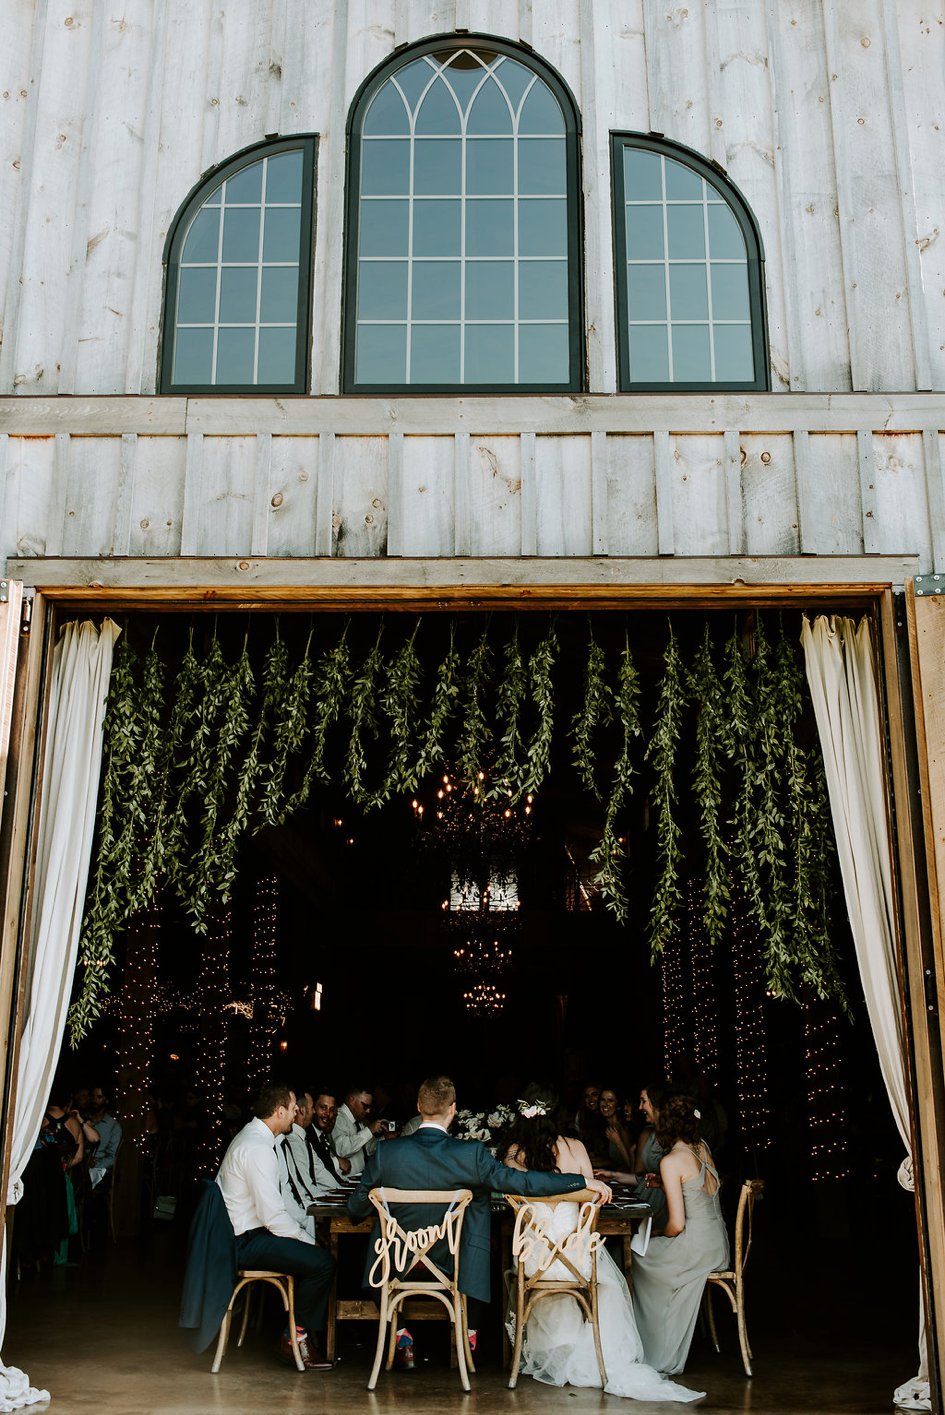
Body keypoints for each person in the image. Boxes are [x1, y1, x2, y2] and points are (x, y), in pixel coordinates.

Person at [348, 1074, 612, 1371]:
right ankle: (469, 1331)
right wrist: (580, 1182)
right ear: (453, 1110)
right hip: (454, 1262)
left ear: (419, 1105)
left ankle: (401, 1334)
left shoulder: (387, 1152)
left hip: (395, 1261)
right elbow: (522, 1182)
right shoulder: (469, 1154)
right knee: (478, 1233)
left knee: (368, 1251)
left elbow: (356, 1208)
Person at [502, 1082, 702, 1402]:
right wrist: (585, 1183)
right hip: (576, 1260)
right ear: (558, 1114)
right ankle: (594, 1351)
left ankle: (540, 1351)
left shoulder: (513, 1154)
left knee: (511, 1262)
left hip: (534, 1261)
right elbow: (587, 1206)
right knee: (605, 1273)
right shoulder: (576, 1148)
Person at [216, 1082, 335, 1371]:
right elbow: (272, 1217)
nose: (297, 1113)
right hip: (244, 1242)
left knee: (316, 1256)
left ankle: (300, 1335)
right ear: (280, 1111)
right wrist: (307, 1240)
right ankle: (296, 1338)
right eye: (294, 1108)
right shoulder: (258, 1148)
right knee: (322, 1263)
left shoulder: (256, 1138)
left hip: (248, 1235)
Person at [630, 1092, 730, 1376]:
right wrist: (666, 1186)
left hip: (695, 1246)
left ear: (665, 1127)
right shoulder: (702, 1147)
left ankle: (650, 1345)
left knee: (637, 1257)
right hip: (717, 1243)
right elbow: (699, 1191)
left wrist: (659, 1232)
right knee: (650, 1254)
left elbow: (677, 1225)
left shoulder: (671, 1160)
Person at [333, 1086, 389, 1177]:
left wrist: (385, 1138)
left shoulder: (358, 1121)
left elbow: (368, 1149)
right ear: (351, 1100)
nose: (368, 1111)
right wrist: (369, 1130)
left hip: (357, 1180)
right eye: (365, 1106)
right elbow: (342, 1149)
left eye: (369, 1107)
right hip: (344, 1183)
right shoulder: (337, 1118)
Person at [307, 1091, 351, 1181]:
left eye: (331, 1110)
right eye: (323, 1108)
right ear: (313, 1109)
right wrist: (337, 1162)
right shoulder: (307, 1135)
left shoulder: (322, 1135)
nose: (328, 1114)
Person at [86, 1085, 122, 1188]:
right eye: (93, 1096)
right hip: (82, 1162)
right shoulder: (84, 1120)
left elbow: (112, 1156)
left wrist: (97, 1165)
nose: (94, 1100)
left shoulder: (113, 1125)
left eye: (99, 1097)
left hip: (100, 1169)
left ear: (106, 1100)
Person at [598, 1086, 634, 1168]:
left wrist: (618, 1142)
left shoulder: (622, 1128)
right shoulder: (608, 1126)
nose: (605, 1104)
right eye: (602, 1100)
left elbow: (631, 1164)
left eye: (610, 1100)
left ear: (618, 1105)